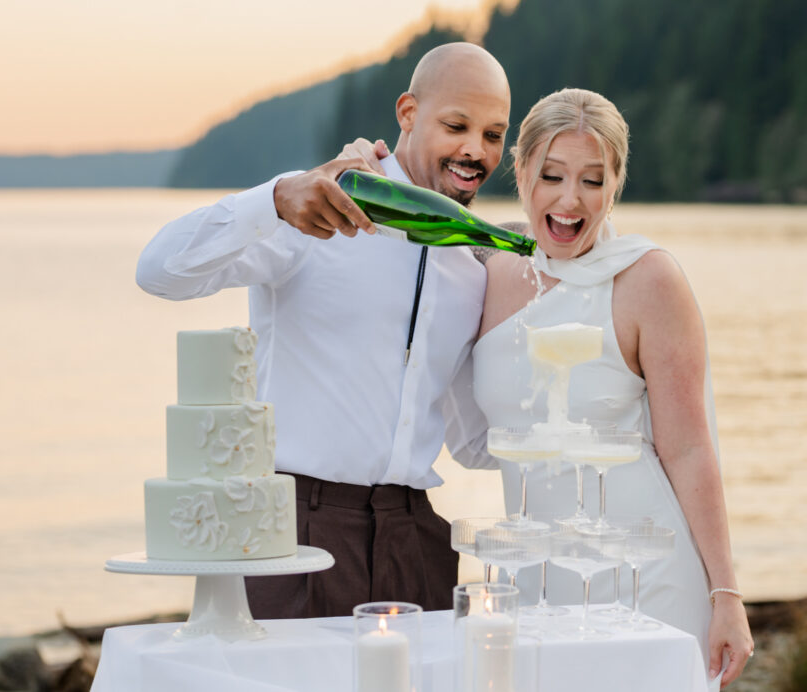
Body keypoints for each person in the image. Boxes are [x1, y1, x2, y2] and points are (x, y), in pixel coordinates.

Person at [135, 42, 511, 618]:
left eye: (493, 134)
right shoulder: (318, 203)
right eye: (457, 125)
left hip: (416, 541)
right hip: (296, 534)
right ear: (408, 113)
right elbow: (160, 271)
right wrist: (276, 200)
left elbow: (471, 442)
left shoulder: (473, 267)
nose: (474, 150)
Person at [461, 87, 752, 688]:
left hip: (644, 577)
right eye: (553, 176)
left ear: (616, 184)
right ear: (520, 170)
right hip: (534, 580)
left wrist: (727, 594)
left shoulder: (647, 279)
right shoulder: (487, 269)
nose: (571, 200)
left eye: (593, 180)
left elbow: (691, 449)